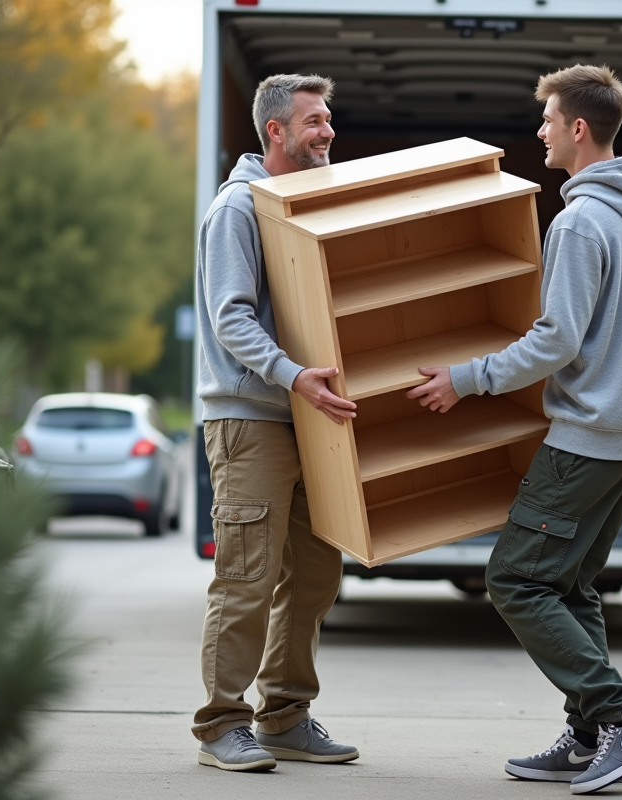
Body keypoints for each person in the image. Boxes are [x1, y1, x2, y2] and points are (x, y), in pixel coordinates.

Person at [407, 64, 622, 793]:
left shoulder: (582, 219)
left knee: (517, 579)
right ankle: (592, 735)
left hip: (590, 434)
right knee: (573, 581)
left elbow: (558, 340)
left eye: (548, 120)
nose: (541, 132)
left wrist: (465, 379)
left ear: (578, 128)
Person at [192, 73, 359, 772]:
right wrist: (295, 376)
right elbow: (232, 316)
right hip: (254, 417)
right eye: (313, 121)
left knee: (316, 575)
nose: (326, 131)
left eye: (327, 120)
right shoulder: (239, 208)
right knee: (247, 576)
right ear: (276, 133)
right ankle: (221, 724)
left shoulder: (307, 205)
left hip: (308, 415)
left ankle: (285, 715)